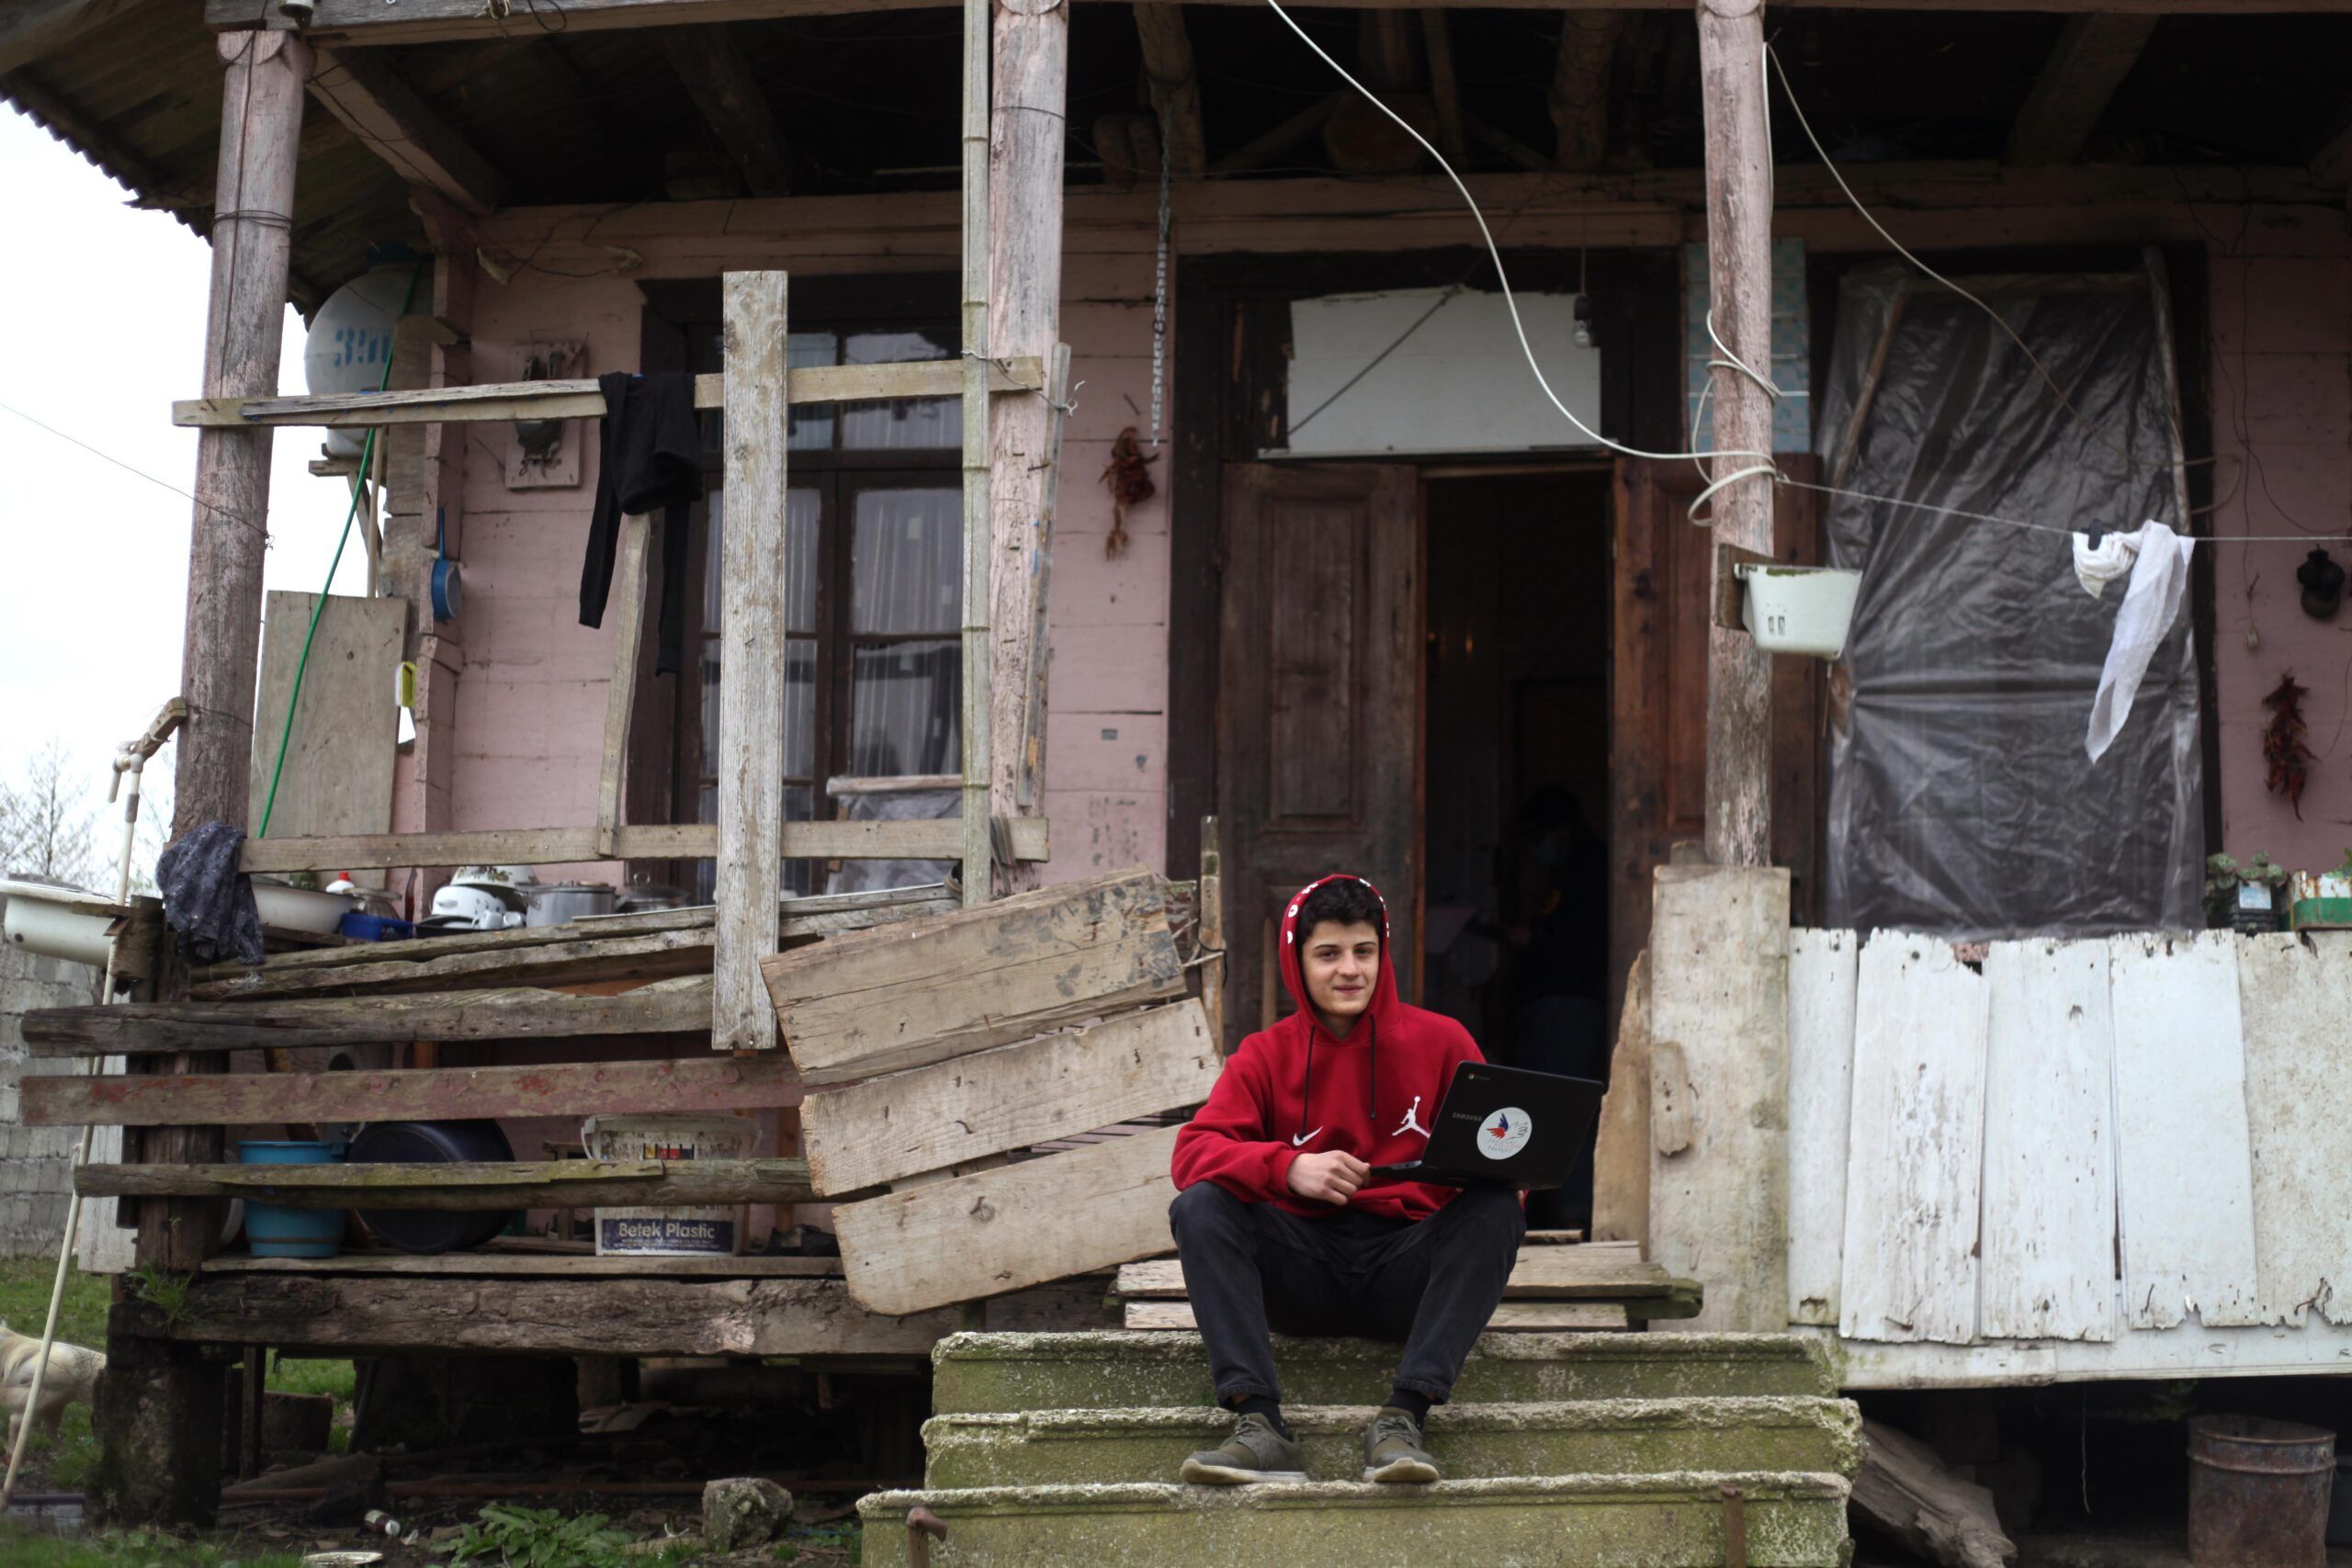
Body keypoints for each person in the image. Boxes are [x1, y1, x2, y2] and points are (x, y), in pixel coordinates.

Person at [1166, 874, 1526, 1486]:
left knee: (1497, 1205)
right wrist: (1287, 1166)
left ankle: (1403, 1417)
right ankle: (1259, 1424)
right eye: (1327, 953)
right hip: (1300, 1272)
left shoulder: (1443, 1041)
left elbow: (1502, 1152)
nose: (1349, 970)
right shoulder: (1261, 1054)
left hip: (1405, 1274)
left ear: (1382, 953)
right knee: (1200, 1205)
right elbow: (1191, 1152)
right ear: (1297, 960)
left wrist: (1500, 1165)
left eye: (1364, 950)